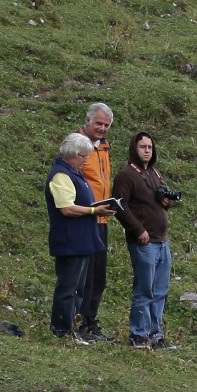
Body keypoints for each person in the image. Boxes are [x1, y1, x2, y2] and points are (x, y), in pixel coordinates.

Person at [111, 131, 175, 349]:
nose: (147, 151)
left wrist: (166, 201)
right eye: (143, 147)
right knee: (144, 289)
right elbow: (119, 205)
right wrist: (138, 229)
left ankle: (155, 334)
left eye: (150, 147)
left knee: (160, 291)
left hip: (162, 241)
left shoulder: (155, 173)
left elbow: (159, 201)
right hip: (144, 242)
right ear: (134, 148)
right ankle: (138, 334)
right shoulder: (126, 175)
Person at [45, 132, 108, 343]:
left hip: (81, 241)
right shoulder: (61, 175)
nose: (85, 161)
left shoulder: (75, 173)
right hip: (69, 241)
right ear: (71, 154)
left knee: (79, 289)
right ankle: (61, 330)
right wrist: (94, 211)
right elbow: (67, 208)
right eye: (83, 156)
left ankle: (72, 328)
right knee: (68, 287)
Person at [75, 102, 114, 342]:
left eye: (106, 125)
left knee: (99, 276)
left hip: (102, 218)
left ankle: (90, 321)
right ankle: (78, 323)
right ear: (88, 121)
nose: (102, 128)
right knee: (85, 277)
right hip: (85, 217)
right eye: (98, 123)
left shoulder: (104, 147)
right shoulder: (78, 145)